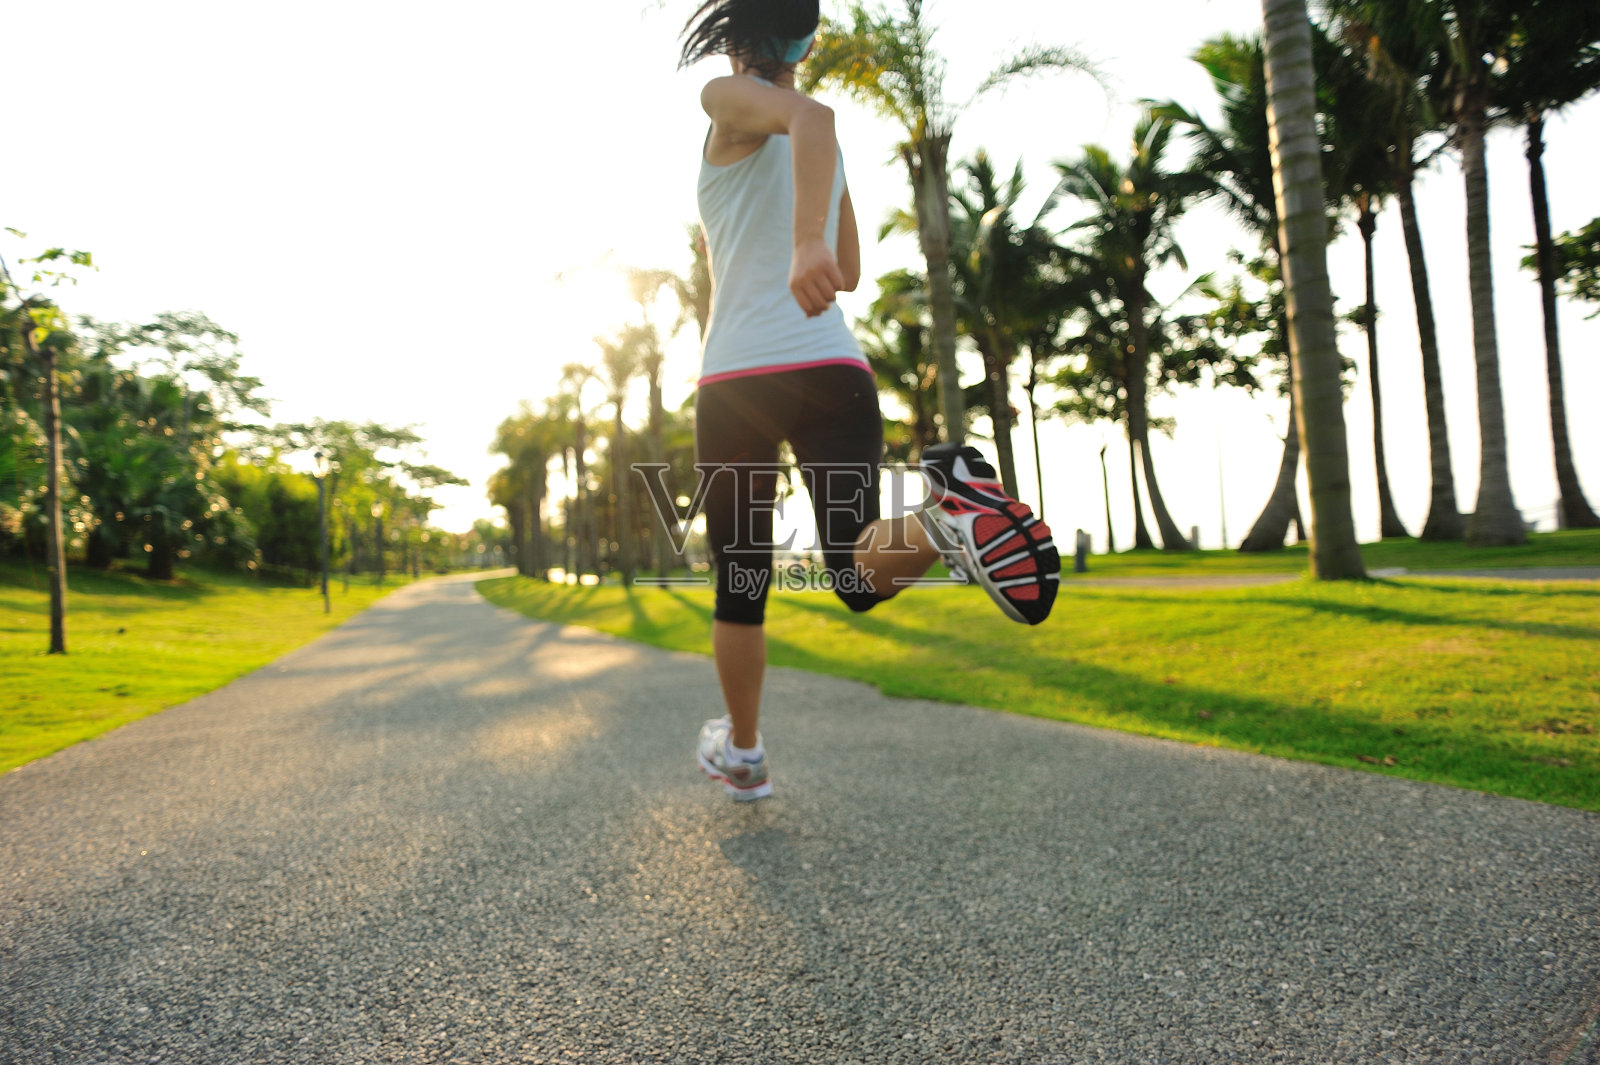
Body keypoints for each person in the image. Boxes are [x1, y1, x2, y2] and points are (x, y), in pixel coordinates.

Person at [679, 0, 1060, 801]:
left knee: (740, 583)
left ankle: (743, 751)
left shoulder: (724, 100)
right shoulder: (822, 144)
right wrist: (814, 235)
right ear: (807, 40)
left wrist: (805, 238)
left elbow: (810, 131)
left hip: (738, 379)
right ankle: (941, 515)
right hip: (833, 367)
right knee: (855, 571)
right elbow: (846, 271)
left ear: (735, 38)